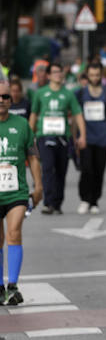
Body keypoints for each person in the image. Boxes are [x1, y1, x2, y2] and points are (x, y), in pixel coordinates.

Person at [0, 80, 42, 306]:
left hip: (17, 191)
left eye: (5, 97)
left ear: (11, 100)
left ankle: (13, 286)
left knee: (14, 231)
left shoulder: (22, 124)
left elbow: (33, 156)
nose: (1, 100)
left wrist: (39, 185)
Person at [29, 62, 86, 215]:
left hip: (63, 137)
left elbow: (77, 114)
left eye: (60, 72)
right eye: (55, 72)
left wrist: (82, 135)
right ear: (48, 75)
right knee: (47, 168)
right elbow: (34, 114)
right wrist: (29, 136)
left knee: (61, 170)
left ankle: (58, 202)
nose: (58, 75)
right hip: (44, 135)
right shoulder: (40, 93)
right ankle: (48, 203)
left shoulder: (68, 94)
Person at [75, 63, 106, 215]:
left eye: (97, 75)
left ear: (102, 75)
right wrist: (75, 136)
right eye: (92, 75)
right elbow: (75, 116)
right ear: (87, 75)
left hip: (102, 138)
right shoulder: (79, 93)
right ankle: (85, 199)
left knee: (99, 171)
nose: (95, 78)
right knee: (87, 169)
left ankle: (94, 201)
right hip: (86, 138)